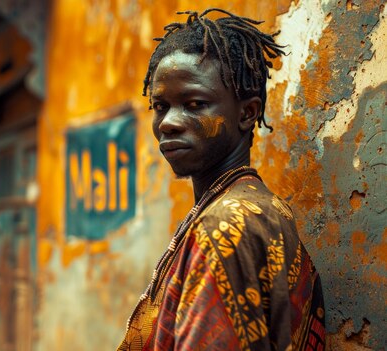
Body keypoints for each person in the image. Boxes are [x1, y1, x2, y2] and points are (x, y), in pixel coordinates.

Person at [118, 9, 325, 351]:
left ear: (247, 113)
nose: (168, 122)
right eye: (159, 106)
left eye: (195, 103)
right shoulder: (254, 209)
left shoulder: (226, 225)